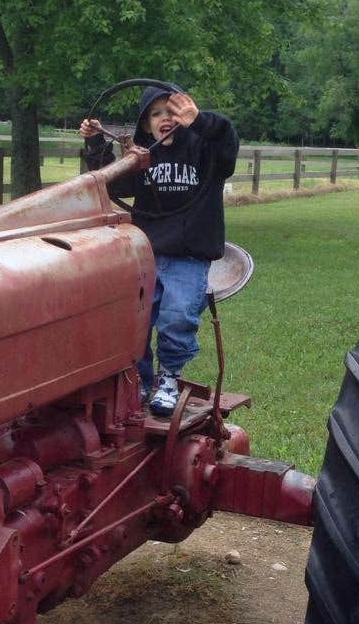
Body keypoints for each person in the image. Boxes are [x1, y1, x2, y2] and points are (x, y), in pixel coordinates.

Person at [80, 84, 239, 416]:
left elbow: (226, 139)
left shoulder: (206, 152)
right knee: (135, 321)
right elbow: (111, 184)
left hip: (189, 256)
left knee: (177, 317)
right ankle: (140, 380)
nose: (165, 118)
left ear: (186, 113)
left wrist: (201, 123)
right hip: (146, 255)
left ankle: (169, 378)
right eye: (156, 114)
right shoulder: (141, 158)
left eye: (172, 111)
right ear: (145, 124)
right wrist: (96, 142)